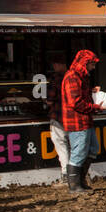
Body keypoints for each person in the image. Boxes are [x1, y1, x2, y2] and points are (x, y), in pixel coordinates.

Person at [61, 49, 106, 192]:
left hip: (84, 120)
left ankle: (80, 181)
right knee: (79, 152)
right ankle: (74, 185)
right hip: (77, 121)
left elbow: (79, 96)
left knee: (92, 149)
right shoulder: (73, 76)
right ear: (85, 62)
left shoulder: (81, 76)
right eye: (92, 64)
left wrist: (91, 92)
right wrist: (94, 106)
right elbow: (75, 102)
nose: (94, 67)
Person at [45, 57, 70, 186]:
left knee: (61, 144)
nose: (54, 66)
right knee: (76, 146)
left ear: (60, 64)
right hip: (74, 117)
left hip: (59, 115)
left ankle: (66, 175)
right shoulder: (74, 76)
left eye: (55, 63)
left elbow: (50, 99)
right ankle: (79, 174)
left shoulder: (56, 79)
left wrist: (47, 102)